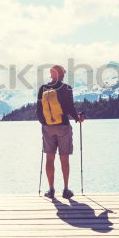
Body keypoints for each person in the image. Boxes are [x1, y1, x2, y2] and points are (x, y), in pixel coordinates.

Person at [37, 64, 84, 199]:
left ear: (52, 75)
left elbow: (38, 110)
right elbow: (70, 108)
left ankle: (51, 190)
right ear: (62, 75)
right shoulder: (66, 88)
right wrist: (77, 118)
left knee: (49, 158)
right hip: (63, 126)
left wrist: (45, 123)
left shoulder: (43, 88)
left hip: (48, 128)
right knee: (64, 158)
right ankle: (66, 190)